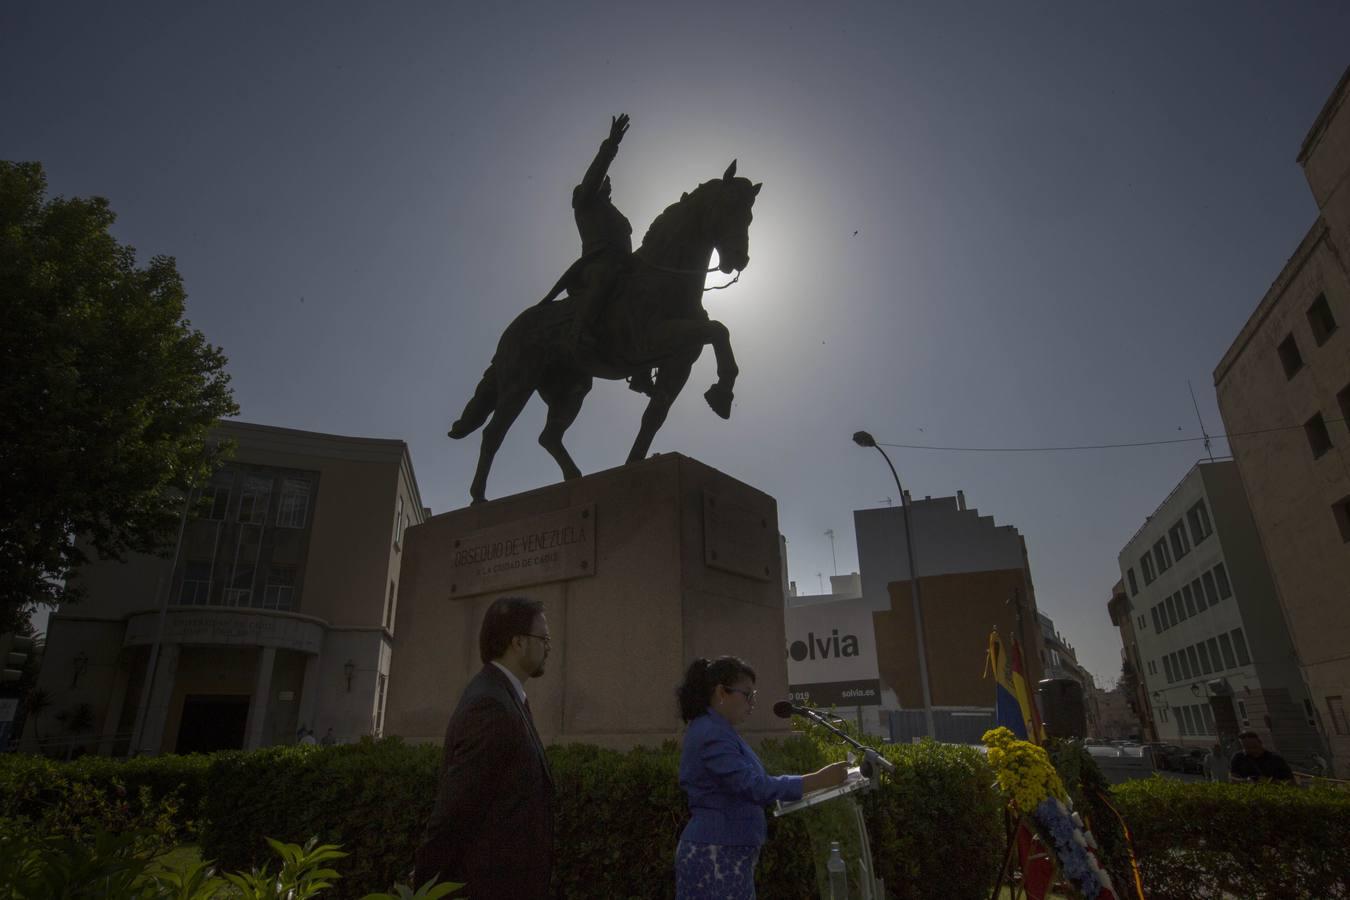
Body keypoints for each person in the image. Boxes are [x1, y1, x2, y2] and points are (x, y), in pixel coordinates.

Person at [674, 656, 849, 899]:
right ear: (721, 693)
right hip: (716, 854)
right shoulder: (710, 733)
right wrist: (818, 780)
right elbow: (754, 786)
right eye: (747, 695)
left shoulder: (720, 730)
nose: (752, 704)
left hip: (727, 852)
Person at [414, 596, 554, 898]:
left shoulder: (506, 697)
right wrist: (424, 891)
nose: (548, 647)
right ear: (517, 642)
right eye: (543, 638)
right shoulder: (491, 705)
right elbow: (452, 815)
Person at [538, 114, 654, 395]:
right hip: (596, 264)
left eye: (609, 185)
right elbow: (595, 174)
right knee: (605, 277)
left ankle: (643, 369)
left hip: (624, 263)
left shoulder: (613, 212)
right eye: (603, 183)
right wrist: (611, 145)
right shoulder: (585, 202)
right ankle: (581, 332)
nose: (608, 186)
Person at [1228, 729, 1294, 782]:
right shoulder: (1238, 757)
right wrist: (1246, 781)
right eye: (1246, 747)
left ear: (1260, 742)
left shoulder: (1275, 759)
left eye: (1253, 746)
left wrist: (1270, 781)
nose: (1250, 749)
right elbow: (1232, 777)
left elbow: (1290, 781)